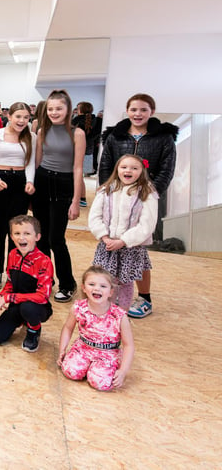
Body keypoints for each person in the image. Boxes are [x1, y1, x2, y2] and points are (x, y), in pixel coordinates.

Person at [98, 93, 177, 319]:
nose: (138, 114)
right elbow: (106, 165)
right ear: (127, 111)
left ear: (151, 111)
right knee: (112, 248)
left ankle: (145, 298)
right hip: (116, 197)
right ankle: (111, 295)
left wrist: (148, 193)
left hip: (144, 198)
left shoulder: (163, 137)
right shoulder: (115, 136)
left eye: (143, 110)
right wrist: (107, 190)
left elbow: (166, 170)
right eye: (133, 109)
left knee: (138, 251)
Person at [32, 90, 86, 303]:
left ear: (68, 109)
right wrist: (31, 188)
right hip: (42, 182)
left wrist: (76, 200)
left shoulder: (77, 133)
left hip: (64, 185)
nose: (54, 112)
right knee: (42, 238)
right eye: (51, 109)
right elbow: (37, 161)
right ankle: (46, 280)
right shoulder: (41, 129)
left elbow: (78, 168)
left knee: (57, 239)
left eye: (59, 109)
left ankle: (67, 283)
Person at [89, 154, 157, 311]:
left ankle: (120, 314)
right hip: (107, 246)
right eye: (124, 167)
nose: (128, 171)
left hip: (130, 248)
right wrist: (104, 237)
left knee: (125, 283)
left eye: (134, 168)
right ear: (117, 169)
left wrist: (124, 241)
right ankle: (102, 311)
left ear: (141, 171)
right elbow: (95, 216)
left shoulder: (147, 193)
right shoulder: (106, 190)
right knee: (103, 279)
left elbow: (147, 224)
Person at [0, 102, 36, 288]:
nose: (21, 121)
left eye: (25, 117)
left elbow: (30, 163)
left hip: (20, 183)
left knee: (17, 231)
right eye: (18, 117)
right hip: (1, 181)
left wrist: (30, 182)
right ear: (9, 116)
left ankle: (13, 271)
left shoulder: (32, 137)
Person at [58, 266, 135, 391]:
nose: (97, 288)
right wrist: (62, 349)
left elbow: (129, 345)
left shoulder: (119, 316)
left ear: (111, 292)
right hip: (83, 348)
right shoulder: (78, 307)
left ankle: (98, 370)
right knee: (70, 371)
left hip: (108, 354)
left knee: (100, 383)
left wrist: (123, 371)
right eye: (91, 284)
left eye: (103, 286)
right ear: (83, 287)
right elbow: (68, 328)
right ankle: (87, 367)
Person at [0, 215, 54, 352]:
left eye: (27, 233)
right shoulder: (12, 254)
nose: (21, 238)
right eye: (17, 233)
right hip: (16, 305)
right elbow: (10, 284)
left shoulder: (44, 262)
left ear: (37, 237)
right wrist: (1, 296)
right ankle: (21, 320)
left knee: (28, 309)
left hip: (37, 307)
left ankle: (34, 330)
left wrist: (9, 298)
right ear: (11, 236)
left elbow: (42, 296)